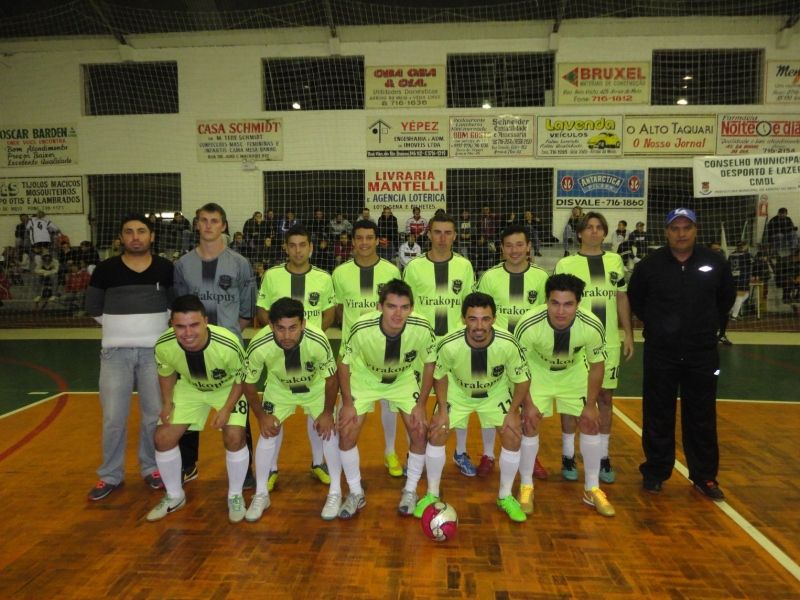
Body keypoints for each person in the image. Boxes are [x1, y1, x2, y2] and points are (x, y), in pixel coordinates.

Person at [627, 208, 735, 501]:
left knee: (702, 415)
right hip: (661, 352)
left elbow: (725, 299)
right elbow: (637, 300)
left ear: (696, 230)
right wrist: (660, 327)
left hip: (702, 353)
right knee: (657, 412)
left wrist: (705, 327)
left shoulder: (715, 263)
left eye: (687, 227)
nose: (681, 233)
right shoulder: (650, 266)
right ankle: (655, 471)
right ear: (666, 232)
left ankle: (704, 476)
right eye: (675, 228)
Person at [415, 292, 532, 522]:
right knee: (437, 432)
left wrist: (512, 412)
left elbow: (522, 379)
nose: (479, 326)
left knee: (512, 434)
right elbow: (440, 375)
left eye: (485, 319)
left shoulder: (508, 343)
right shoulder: (449, 343)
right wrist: (442, 410)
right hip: (459, 392)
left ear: (494, 319)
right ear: (463, 319)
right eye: (473, 319)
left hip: (494, 392)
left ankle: (505, 496)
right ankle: (432, 493)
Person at [85, 213, 174, 500]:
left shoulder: (165, 268)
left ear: (152, 236)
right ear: (121, 238)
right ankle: (110, 475)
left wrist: (149, 329)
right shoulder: (105, 270)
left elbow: (172, 306)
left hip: (154, 355)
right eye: (129, 232)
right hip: (115, 355)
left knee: (153, 416)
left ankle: (151, 469)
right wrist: (120, 329)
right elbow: (93, 307)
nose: (135, 237)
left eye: (141, 231)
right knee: (113, 418)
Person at [514, 273, 614, 517]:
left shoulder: (591, 325)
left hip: (573, 372)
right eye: (555, 303)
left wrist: (590, 405)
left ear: (578, 303)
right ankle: (526, 486)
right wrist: (527, 404)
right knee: (529, 422)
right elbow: (518, 367)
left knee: (591, 422)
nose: (560, 311)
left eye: (568, 304)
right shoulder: (528, 324)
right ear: (546, 301)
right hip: (537, 372)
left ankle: (592, 489)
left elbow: (597, 366)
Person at [336, 279, 436, 519]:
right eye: (391, 306)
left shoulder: (422, 327)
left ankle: (410, 490)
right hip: (365, 378)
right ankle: (355, 492)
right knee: (346, 430)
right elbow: (343, 363)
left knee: (419, 430)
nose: (398, 314)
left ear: (411, 308)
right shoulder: (361, 327)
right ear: (380, 307)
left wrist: (421, 404)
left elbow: (430, 364)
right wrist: (347, 404)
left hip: (402, 379)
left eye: (404, 307)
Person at [173, 202, 256, 487]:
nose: (208, 226)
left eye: (214, 221)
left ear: (224, 226)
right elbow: (180, 307)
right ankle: (188, 465)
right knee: (188, 406)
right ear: (197, 224)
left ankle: (245, 470)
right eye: (204, 220)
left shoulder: (239, 264)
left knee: (238, 410)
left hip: (229, 349)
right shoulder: (183, 265)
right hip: (192, 348)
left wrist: (227, 336)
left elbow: (247, 309)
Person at [146, 295, 250, 522]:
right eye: (180, 327)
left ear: (206, 321)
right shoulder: (164, 345)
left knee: (234, 437)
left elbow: (242, 379)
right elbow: (166, 373)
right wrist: (167, 402)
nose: (188, 333)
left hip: (227, 388)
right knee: (163, 438)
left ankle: (235, 495)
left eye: (194, 325)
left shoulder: (228, 344)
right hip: (190, 388)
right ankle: (174, 496)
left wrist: (226, 409)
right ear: (172, 325)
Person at [242, 297, 341, 521]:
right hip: (280, 389)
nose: (287, 335)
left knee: (329, 432)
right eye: (280, 328)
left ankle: (335, 492)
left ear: (303, 324)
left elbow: (332, 379)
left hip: (315, 388)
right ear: (271, 326)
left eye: (293, 328)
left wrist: (327, 413)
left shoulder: (318, 340)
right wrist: (261, 416)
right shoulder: (259, 345)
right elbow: (248, 383)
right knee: (267, 433)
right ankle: (261, 494)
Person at [555, 212, 634, 485]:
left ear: (604, 232)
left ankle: (603, 456)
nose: (594, 231)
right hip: (574, 343)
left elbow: (621, 297)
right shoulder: (566, 263)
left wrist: (628, 334)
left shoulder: (614, 261)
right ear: (579, 233)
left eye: (599, 227)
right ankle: (568, 455)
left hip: (608, 342)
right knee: (571, 399)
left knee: (605, 399)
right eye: (588, 227)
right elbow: (557, 304)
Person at [255, 225, 336, 491]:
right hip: (280, 357)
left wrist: (311, 338)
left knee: (317, 412)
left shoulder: (323, 278)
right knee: (274, 417)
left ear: (311, 248)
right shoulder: (272, 275)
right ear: (285, 248)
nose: (298, 250)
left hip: (312, 357)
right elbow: (262, 309)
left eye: (303, 245)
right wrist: (280, 337)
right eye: (293, 245)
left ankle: (318, 463)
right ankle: (271, 468)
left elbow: (329, 312)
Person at [402, 213, 482, 477]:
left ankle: (460, 451)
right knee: (416, 401)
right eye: (437, 232)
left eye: (448, 233)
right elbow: (406, 307)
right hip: (422, 346)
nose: (442, 238)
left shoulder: (464, 266)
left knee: (458, 399)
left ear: (455, 236)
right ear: (428, 234)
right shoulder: (414, 267)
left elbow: (470, 306)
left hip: (455, 347)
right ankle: (413, 452)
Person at [332, 220, 403, 477]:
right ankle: (344, 456)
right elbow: (339, 310)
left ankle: (390, 452)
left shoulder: (391, 271)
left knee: (389, 403)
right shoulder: (340, 273)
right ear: (353, 241)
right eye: (359, 238)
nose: (364, 242)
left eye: (369, 237)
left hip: (386, 350)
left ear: (377, 240)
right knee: (348, 406)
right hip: (353, 354)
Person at [477, 224, 548, 479]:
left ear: (528, 247)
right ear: (501, 248)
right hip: (496, 353)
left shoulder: (541, 277)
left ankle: (530, 458)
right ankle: (488, 455)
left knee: (530, 408)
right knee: (490, 406)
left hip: (531, 356)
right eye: (509, 245)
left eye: (519, 245)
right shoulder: (489, 277)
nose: (514, 250)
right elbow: (480, 313)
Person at [728, 241, 754, 321]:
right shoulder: (746, 255)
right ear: (744, 246)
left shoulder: (731, 255)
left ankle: (732, 310)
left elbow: (728, 265)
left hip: (733, 278)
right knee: (740, 296)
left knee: (746, 295)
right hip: (742, 278)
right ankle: (734, 315)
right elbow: (753, 263)